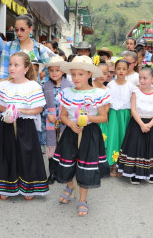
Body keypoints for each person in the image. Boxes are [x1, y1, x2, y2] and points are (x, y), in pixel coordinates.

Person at [54, 55, 110, 216]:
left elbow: (103, 117)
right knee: (67, 162)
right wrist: (71, 123)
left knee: (86, 166)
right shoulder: (66, 93)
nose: (76, 78)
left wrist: (87, 119)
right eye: (73, 74)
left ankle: (82, 200)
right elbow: (63, 115)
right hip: (71, 132)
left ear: (89, 74)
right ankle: (70, 186)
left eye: (81, 74)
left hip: (90, 133)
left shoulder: (98, 93)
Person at [0, 51, 49, 200]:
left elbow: (39, 108)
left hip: (26, 125)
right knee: (7, 154)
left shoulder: (32, 86)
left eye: (16, 65)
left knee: (26, 154)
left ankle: (28, 187)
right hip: (7, 124)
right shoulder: (3, 86)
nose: (12, 68)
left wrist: (20, 110)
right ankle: (6, 186)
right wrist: (9, 110)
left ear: (26, 68)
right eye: (10, 64)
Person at [117, 65, 153, 184]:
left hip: (151, 125)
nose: (141, 81)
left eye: (145, 78)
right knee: (136, 147)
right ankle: (134, 173)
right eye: (140, 78)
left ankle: (151, 172)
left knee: (151, 148)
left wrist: (150, 124)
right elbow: (133, 110)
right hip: (137, 124)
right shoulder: (135, 92)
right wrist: (142, 124)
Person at [42, 56, 71, 185]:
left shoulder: (69, 86)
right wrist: (47, 114)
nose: (54, 73)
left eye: (57, 70)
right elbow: (41, 103)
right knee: (51, 148)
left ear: (63, 71)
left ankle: (63, 173)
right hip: (50, 121)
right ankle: (52, 173)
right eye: (51, 70)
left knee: (64, 147)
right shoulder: (45, 86)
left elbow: (72, 103)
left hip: (65, 121)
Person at [0, 14, 54, 80]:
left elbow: (49, 70)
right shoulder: (8, 46)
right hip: (12, 87)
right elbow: (3, 72)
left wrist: (43, 85)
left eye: (22, 29)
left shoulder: (39, 49)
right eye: (16, 30)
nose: (19, 33)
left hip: (32, 89)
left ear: (30, 29)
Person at [106, 59, 134, 176]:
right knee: (113, 138)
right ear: (115, 70)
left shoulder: (131, 86)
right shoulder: (110, 85)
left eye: (124, 69)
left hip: (126, 115)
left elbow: (133, 104)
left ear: (128, 71)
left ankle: (122, 165)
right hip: (113, 114)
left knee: (124, 139)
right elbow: (107, 103)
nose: (121, 71)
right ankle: (112, 164)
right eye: (118, 68)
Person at [93, 58, 111, 147]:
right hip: (89, 118)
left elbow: (107, 108)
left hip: (101, 120)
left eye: (105, 74)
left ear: (108, 74)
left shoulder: (107, 90)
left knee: (100, 144)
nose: (102, 76)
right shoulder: (89, 87)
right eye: (99, 73)